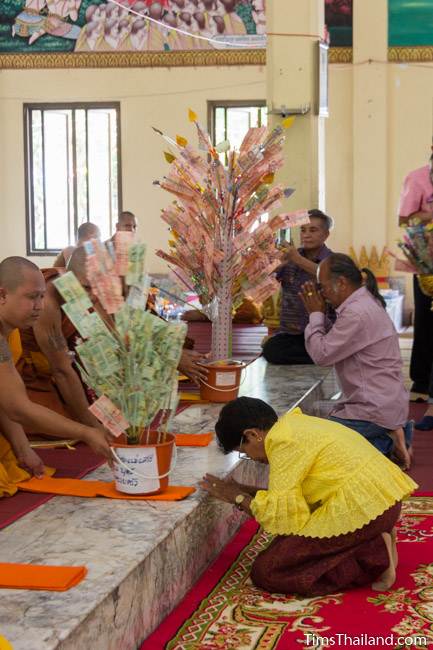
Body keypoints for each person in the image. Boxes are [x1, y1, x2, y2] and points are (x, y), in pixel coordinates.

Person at [200, 397, 417, 596]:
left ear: (253, 434)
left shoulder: (282, 444)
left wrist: (236, 497)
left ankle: (374, 554)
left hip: (367, 514)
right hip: (382, 502)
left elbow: (280, 517)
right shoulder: (293, 427)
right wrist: (243, 490)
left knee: (268, 571)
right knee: (289, 548)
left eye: (245, 452)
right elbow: (292, 505)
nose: (251, 459)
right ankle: (375, 537)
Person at [0, 257, 111, 496]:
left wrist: (22, 449)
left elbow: (4, 399)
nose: (39, 305)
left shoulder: (9, 333)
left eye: (41, 296)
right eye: (31, 297)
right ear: (2, 296)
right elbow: (17, 408)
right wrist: (86, 431)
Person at [301, 253, 412, 465]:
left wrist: (315, 314)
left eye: (322, 287)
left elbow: (322, 355)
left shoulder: (356, 313)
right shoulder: (364, 301)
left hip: (372, 410)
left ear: (341, 283)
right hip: (385, 404)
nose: (321, 294)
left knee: (317, 448)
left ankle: (384, 444)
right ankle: (390, 434)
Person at [262, 209, 333, 365]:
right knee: (271, 349)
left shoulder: (332, 260)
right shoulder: (291, 256)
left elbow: (327, 276)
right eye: (303, 230)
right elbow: (264, 281)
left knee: (330, 344)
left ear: (326, 235)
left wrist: (298, 259)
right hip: (291, 333)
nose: (306, 235)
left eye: (313, 230)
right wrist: (276, 263)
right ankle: (321, 355)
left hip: (323, 331)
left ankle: (324, 353)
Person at [398, 153, 433, 430]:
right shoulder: (417, 177)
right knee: (426, 320)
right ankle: (421, 381)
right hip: (427, 261)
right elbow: (405, 220)